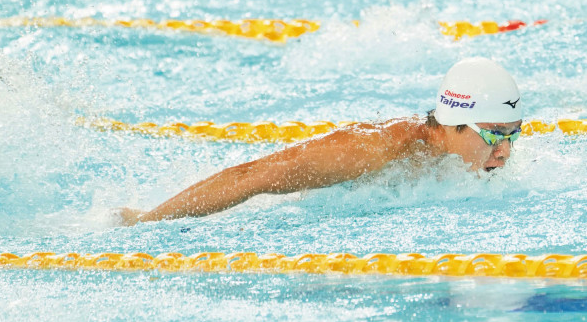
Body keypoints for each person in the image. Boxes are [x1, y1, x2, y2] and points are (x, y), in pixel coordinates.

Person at [118, 57, 523, 226]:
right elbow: (251, 177)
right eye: (494, 137)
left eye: (512, 135)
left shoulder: (461, 158)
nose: (504, 153)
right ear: (455, 123)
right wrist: (146, 223)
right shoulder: (373, 149)